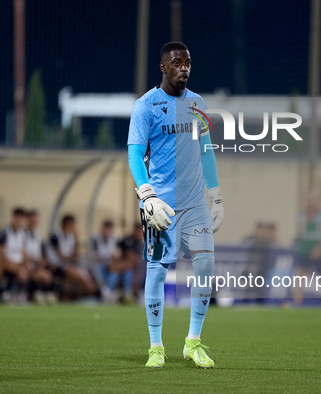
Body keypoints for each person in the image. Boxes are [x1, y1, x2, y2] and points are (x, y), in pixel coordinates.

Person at [127, 42, 223, 368]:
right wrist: (147, 195)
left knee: (206, 266)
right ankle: (156, 347)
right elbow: (134, 155)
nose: (184, 68)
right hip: (162, 205)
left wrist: (217, 195)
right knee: (157, 270)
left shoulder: (198, 103)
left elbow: (206, 151)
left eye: (188, 63)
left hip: (196, 202)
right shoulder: (146, 106)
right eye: (177, 63)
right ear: (163, 67)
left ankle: (193, 342)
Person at [294, 191, 321, 307]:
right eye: (307, 200)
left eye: (311, 200)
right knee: (301, 276)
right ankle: (297, 301)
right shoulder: (302, 214)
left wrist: (319, 248)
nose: (309, 203)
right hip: (305, 250)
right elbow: (301, 231)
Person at [46, 214, 96, 300]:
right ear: (67, 225)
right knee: (80, 276)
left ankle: (88, 295)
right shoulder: (55, 236)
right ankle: (89, 295)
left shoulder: (71, 237)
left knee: (86, 274)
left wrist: (76, 240)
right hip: (54, 266)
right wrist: (70, 260)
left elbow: (75, 258)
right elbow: (61, 256)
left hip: (67, 265)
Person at [0, 207, 29, 304]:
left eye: (21, 219)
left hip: (18, 263)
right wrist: (11, 263)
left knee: (25, 270)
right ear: (13, 218)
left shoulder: (22, 234)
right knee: (20, 271)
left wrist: (26, 263)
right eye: (17, 218)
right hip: (7, 262)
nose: (19, 221)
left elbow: (23, 251)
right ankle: (12, 294)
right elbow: (0, 252)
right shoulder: (4, 232)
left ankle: (19, 294)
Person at [24, 210, 53, 304]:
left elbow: (40, 253)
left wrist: (41, 264)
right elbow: (23, 252)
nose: (34, 222)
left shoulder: (37, 235)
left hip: (36, 264)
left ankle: (42, 294)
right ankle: (30, 295)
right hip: (26, 263)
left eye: (35, 220)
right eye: (32, 220)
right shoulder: (23, 234)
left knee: (47, 275)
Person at [92, 220, 121, 302]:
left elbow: (117, 254)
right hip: (99, 264)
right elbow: (95, 256)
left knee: (115, 271)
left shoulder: (114, 239)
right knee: (98, 269)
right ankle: (104, 291)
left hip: (109, 264)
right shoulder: (95, 239)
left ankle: (109, 291)